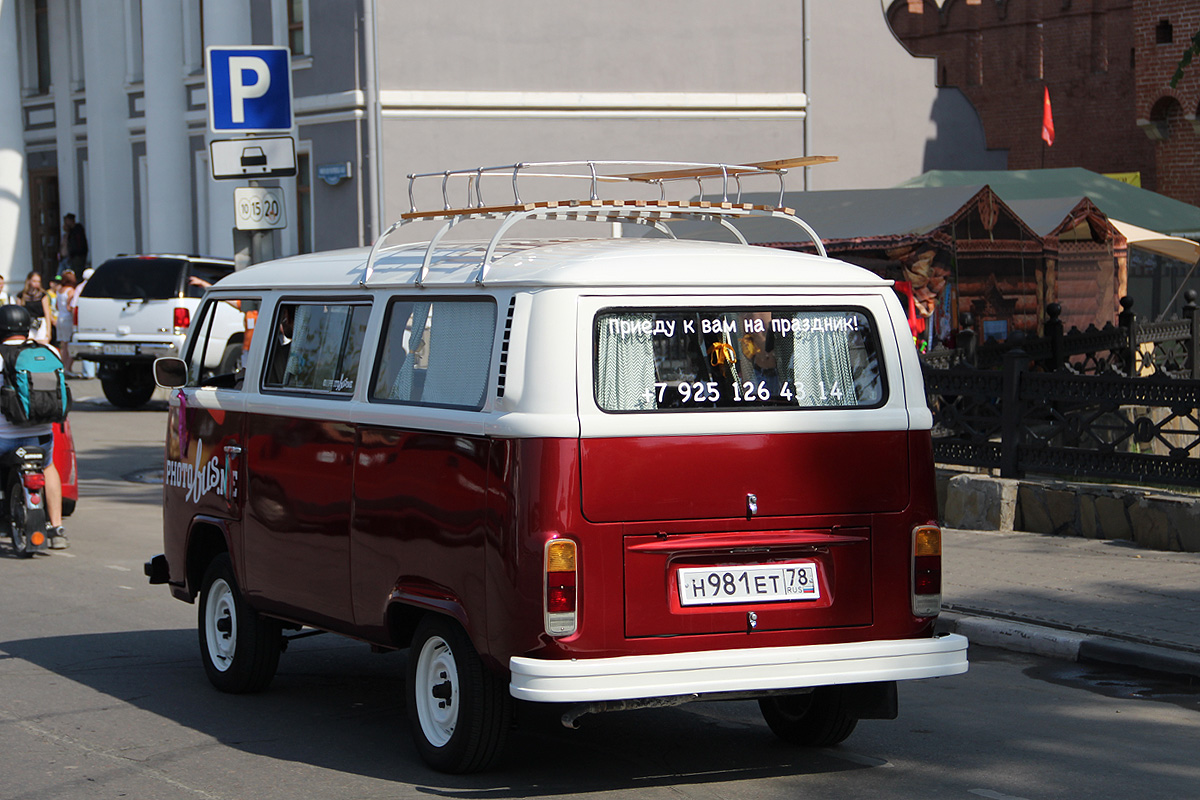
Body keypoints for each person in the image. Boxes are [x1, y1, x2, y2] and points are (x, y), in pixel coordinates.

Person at [0, 305, 67, 549]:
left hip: (4, 438)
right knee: (48, 467)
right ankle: (57, 528)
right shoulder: (49, 351)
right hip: (41, 436)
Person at [17, 272, 52, 343]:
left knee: (42, 343)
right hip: (28, 324)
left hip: (40, 323)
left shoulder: (42, 295)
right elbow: (18, 314)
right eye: (34, 281)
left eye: (38, 281)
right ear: (29, 281)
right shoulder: (21, 296)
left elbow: (47, 314)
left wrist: (48, 332)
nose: (36, 283)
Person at [55, 270, 77, 374]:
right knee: (69, 343)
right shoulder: (71, 290)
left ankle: (62, 366)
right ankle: (68, 367)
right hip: (68, 319)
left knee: (63, 344)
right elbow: (70, 307)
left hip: (60, 317)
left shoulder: (59, 290)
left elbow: (57, 306)